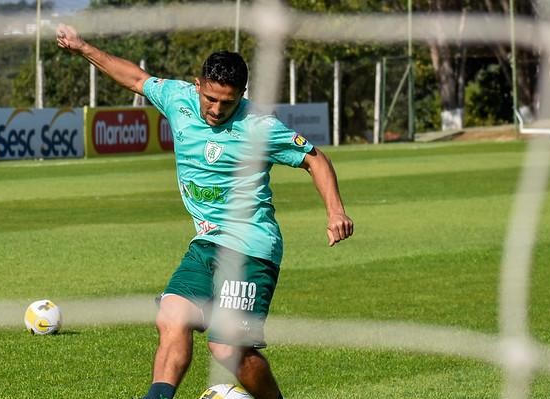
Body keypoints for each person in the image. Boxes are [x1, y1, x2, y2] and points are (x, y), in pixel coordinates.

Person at [56, 23, 354, 399]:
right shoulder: (178, 98)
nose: (216, 109)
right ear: (197, 85)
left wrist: (335, 212)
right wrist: (84, 47)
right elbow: (134, 77)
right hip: (207, 242)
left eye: (227, 102)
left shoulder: (260, 126)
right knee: (171, 317)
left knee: (227, 349)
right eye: (210, 98)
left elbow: (316, 159)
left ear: (242, 95)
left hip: (251, 247)